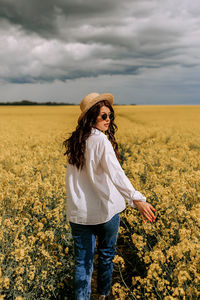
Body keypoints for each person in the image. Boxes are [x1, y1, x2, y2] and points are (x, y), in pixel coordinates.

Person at [63, 92, 156, 300]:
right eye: (103, 116)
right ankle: (103, 296)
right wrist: (136, 199)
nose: (108, 120)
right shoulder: (101, 141)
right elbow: (117, 174)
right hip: (106, 211)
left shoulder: (75, 143)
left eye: (110, 115)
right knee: (106, 256)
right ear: (91, 117)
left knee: (82, 263)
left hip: (79, 213)